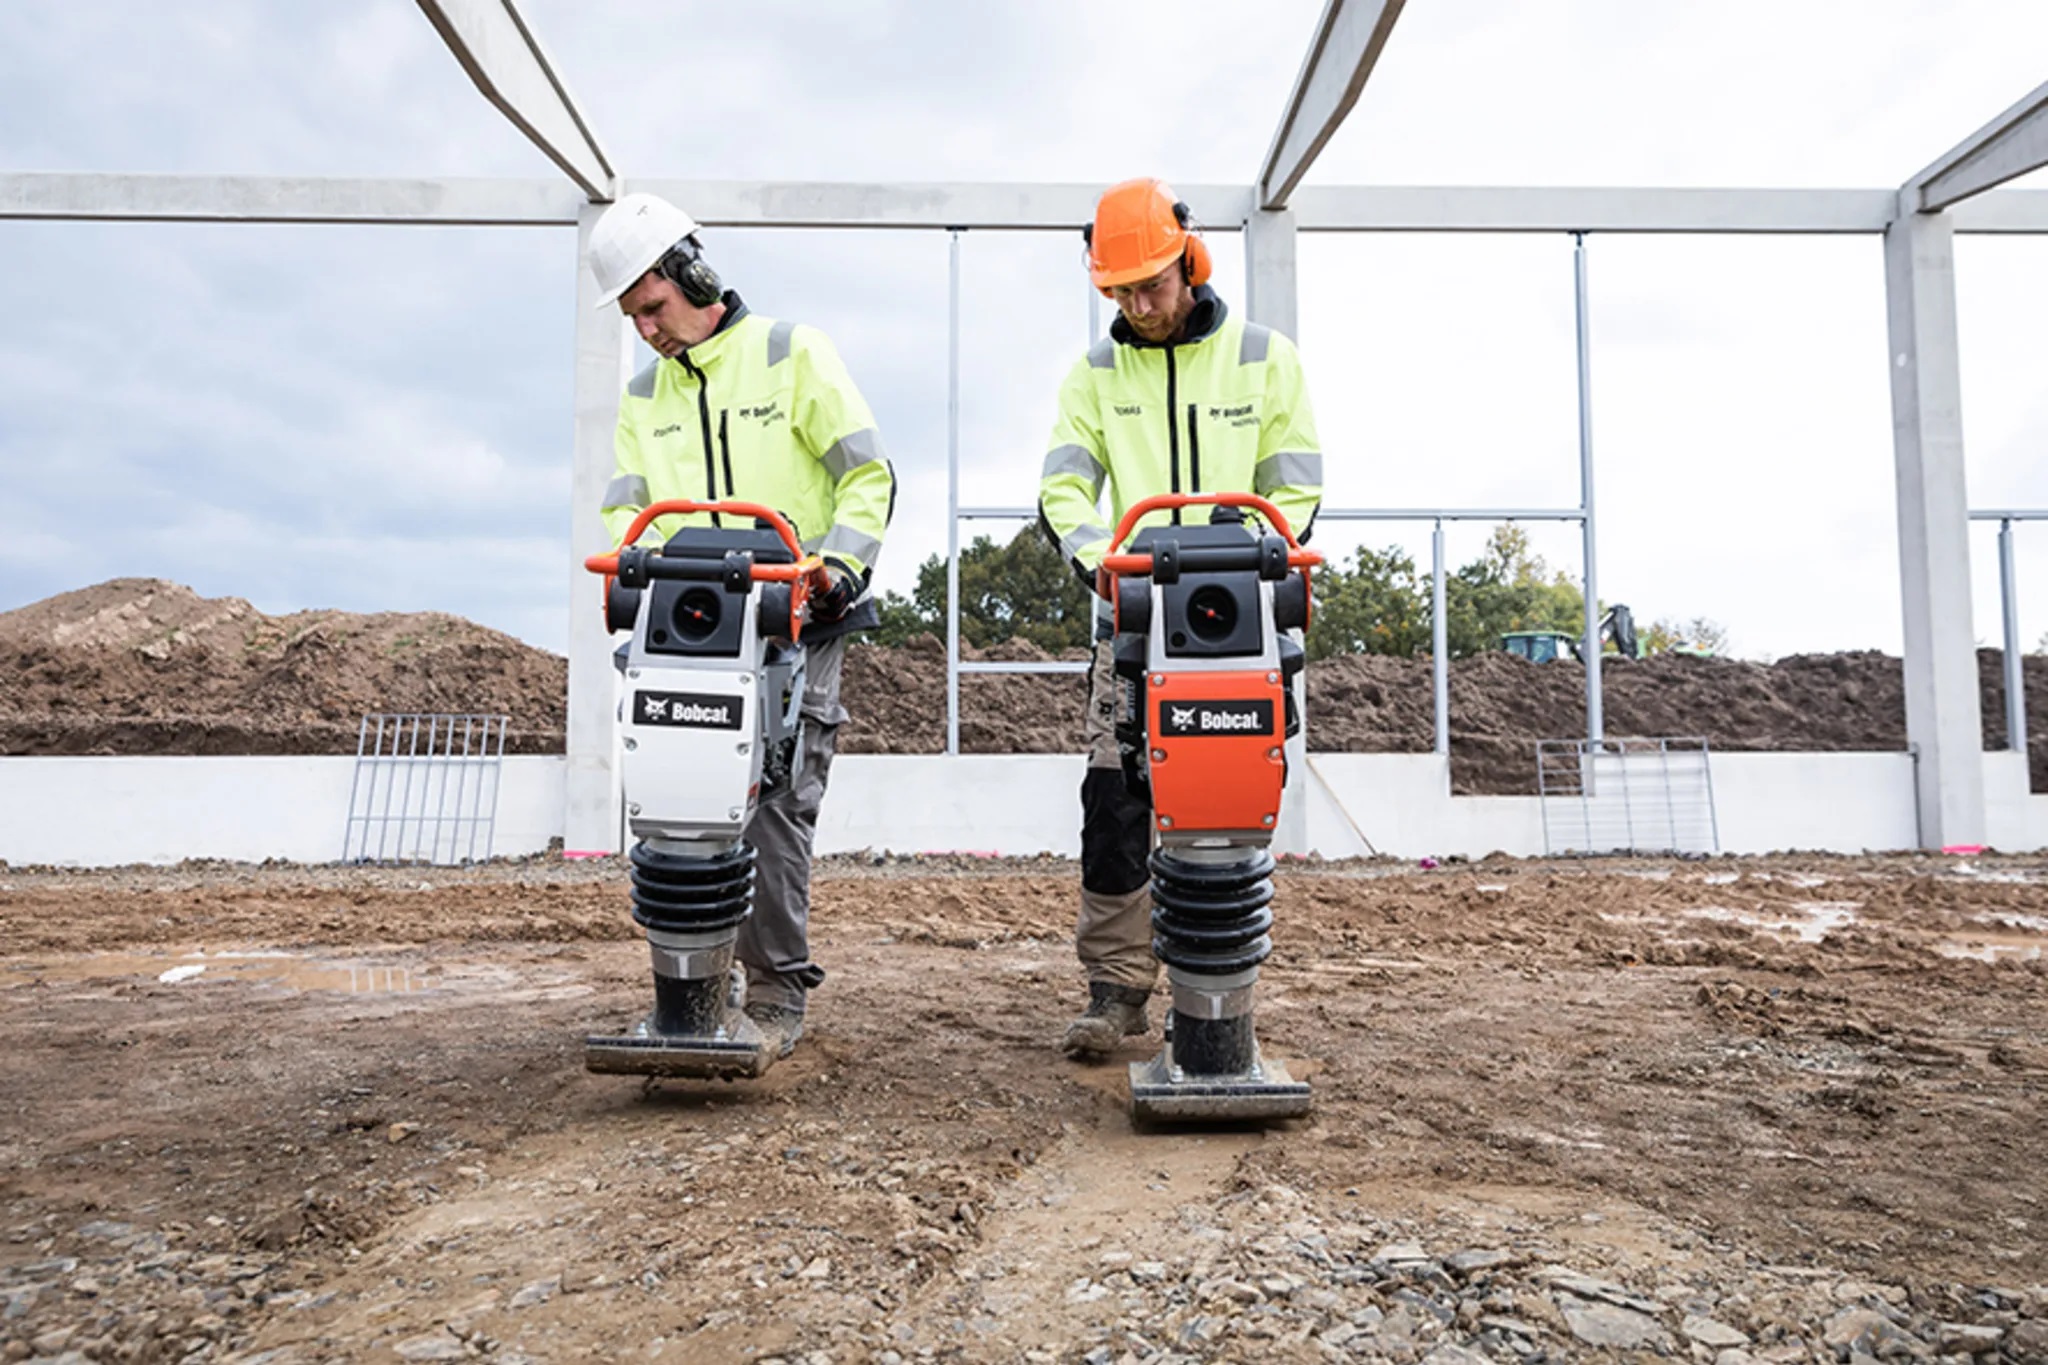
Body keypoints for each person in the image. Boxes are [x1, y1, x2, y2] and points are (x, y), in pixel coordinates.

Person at [587, 193, 897, 1060]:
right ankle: (695, 977)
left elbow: (867, 475)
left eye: (654, 306)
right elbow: (626, 508)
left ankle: (774, 985)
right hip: (689, 620)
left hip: (796, 614)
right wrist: (634, 569)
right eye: (633, 317)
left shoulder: (791, 354)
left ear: (694, 275)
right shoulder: (644, 394)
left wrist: (839, 567)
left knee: (775, 798)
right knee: (680, 796)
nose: (647, 328)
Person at [1036, 177, 1323, 1059]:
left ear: (1189, 260)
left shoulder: (1262, 358)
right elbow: (1063, 487)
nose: (1138, 305)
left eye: (1151, 285)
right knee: (1115, 797)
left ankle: (1219, 984)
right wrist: (1103, 566)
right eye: (1119, 291)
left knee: (1227, 799)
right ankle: (1117, 987)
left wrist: (1259, 548)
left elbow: (1297, 482)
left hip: (1242, 616)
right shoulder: (1094, 376)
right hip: (1132, 618)